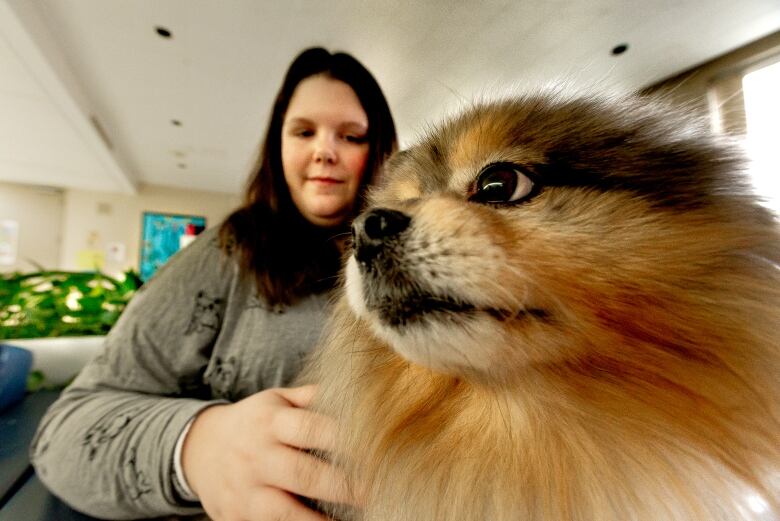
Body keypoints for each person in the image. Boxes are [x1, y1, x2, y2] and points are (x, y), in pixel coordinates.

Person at [30, 47, 398, 521]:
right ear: (277, 146)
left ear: (379, 150)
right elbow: (64, 433)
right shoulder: (230, 252)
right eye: (304, 131)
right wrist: (200, 448)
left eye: (350, 135)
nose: (325, 150)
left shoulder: (409, 246)